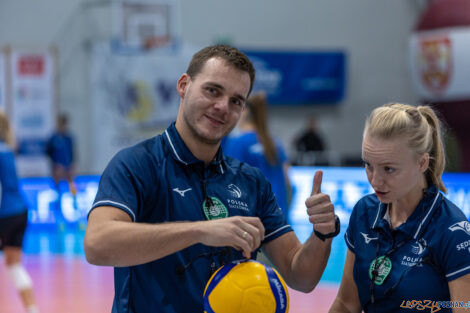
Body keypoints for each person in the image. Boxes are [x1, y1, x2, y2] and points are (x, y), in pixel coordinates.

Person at [84, 45, 340, 313]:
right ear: (184, 85)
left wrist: (322, 234)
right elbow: (97, 244)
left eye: (236, 101)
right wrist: (201, 231)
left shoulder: (251, 181)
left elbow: (301, 276)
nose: (222, 107)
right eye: (213, 90)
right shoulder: (136, 164)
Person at [329, 103, 470, 313]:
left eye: (389, 169)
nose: (375, 181)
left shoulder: (452, 230)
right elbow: (346, 304)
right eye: (368, 165)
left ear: (422, 163)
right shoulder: (364, 212)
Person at [224, 92, 292, 221]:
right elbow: (288, 180)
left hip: (253, 219)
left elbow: (230, 183)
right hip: (278, 216)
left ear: (244, 112)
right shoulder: (274, 143)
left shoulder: (237, 143)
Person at [0, 111, 39, 313]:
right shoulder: (7, 150)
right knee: (13, 264)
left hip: (4, 214)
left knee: (11, 263)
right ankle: (32, 309)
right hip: (20, 211)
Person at [45, 114, 76, 196]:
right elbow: (48, 152)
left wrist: (72, 164)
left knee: (72, 184)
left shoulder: (69, 138)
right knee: (57, 185)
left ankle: (74, 199)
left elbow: (72, 152)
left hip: (67, 166)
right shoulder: (53, 138)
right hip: (57, 168)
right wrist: (55, 164)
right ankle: (57, 200)